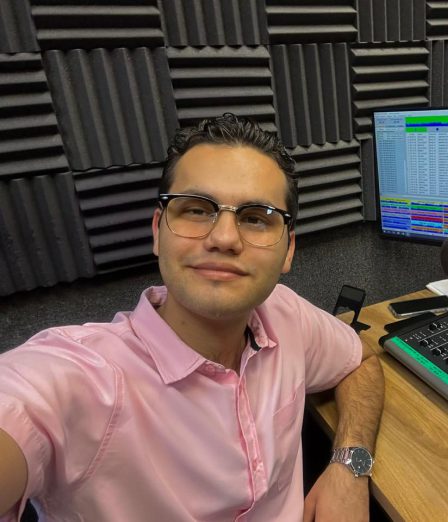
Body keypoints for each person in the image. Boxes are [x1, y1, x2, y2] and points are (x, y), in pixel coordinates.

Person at [0, 113, 385, 521]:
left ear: (288, 249)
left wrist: (350, 464)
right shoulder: (76, 378)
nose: (224, 238)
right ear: (158, 230)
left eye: (256, 217)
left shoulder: (284, 313)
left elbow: (361, 363)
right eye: (197, 210)